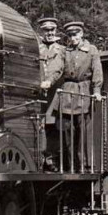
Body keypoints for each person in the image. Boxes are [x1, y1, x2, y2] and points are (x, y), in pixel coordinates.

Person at [51, 21, 103, 172]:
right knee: (67, 131)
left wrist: (97, 90)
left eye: (75, 34)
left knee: (83, 131)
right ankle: (70, 165)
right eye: (70, 35)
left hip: (84, 93)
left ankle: (84, 164)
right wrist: (49, 81)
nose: (72, 38)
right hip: (67, 92)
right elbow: (57, 68)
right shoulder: (64, 51)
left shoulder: (91, 50)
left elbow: (97, 71)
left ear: (81, 34)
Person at [37, 17, 65, 169]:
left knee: (53, 125)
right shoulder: (36, 48)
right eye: (46, 30)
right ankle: (40, 157)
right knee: (38, 124)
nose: (50, 33)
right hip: (38, 93)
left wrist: (49, 81)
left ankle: (52, 158)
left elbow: (58, 69)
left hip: (54, 93)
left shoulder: (61, 50)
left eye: (52, 30)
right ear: (42, 31)